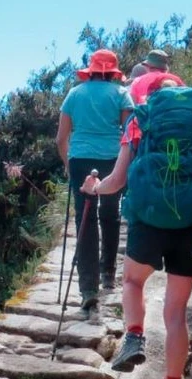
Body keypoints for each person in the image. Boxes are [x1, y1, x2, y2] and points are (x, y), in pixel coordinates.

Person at [83, 72, 192, 379]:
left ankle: (134, 335)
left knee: (133, 282)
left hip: (148, 220)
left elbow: (117, 181)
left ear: (147, 97)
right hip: (190, 225)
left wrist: (93, 188)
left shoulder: (138, 123)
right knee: (176, 314)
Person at [57, 49, 134, 311]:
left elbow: (60, 139)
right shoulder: (121, 94)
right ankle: (108, 273)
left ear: (91, 71)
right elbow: (129, 132)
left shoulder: (74, 94)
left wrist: (69, 166)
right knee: (110, 213)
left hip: (80, 159)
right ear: (112, 72)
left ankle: (88, 288)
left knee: (85, 219)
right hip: (112, 158)